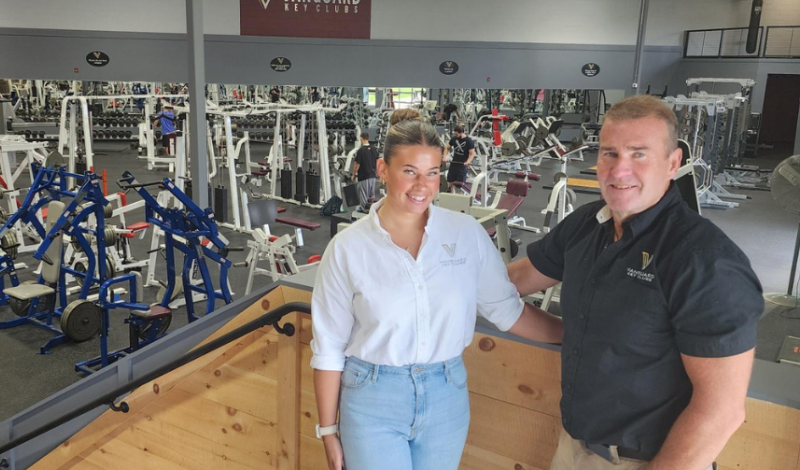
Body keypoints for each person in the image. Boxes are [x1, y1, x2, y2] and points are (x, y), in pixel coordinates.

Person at [507, 95, 763, 470]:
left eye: (638, 154)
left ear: (672, 163)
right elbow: (515, 280)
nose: (618, 170)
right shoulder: (585, 225)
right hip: (575, 448)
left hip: (650, 461)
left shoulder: (705, 260)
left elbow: (721, 411)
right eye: (609, 153)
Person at [311, 108, 563, 470]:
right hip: (372, 396)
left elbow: (507, 311)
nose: (422, 186)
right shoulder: (348, 248)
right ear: (382, 170)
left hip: (447, 391)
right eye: (409, 171)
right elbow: (329, 349)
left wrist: (574, 334)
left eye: (432, 173)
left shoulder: (466, 234)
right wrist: (329, 430)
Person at [350, 132, 378, 212]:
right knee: (371, 197)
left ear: (362, 139)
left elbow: (356, 164)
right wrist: (377, 172)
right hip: (372, 177)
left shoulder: (361, 150)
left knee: (363, 197)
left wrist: (353, 174)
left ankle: (363, 214)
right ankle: (371, 213)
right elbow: (377, 161)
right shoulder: (373, 148)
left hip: (364, 177)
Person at [444, 125, 475, 191]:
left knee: (459, 185)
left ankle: (459, 197)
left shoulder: (469, 141)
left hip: (462, 165)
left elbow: (472, 154)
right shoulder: (454, 139)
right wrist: (445, 157)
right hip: (454, 163)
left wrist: (468, 162)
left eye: (457, 134)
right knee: (450, 181)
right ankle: (451, 195)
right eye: (454, 134)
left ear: (461, 133)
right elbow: (447, 148)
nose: (455, 135)